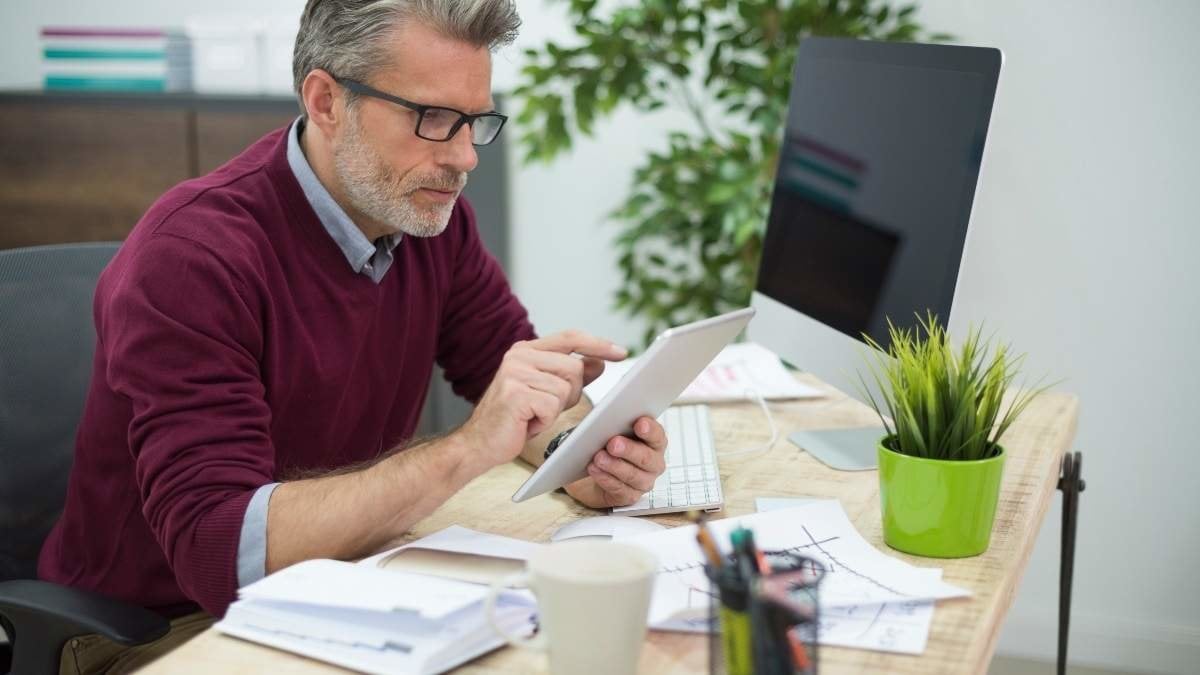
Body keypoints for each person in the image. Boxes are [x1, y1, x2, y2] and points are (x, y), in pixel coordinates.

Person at [39, 2, 667, 672]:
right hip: (158, 631)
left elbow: (512, 381)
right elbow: (222, 554)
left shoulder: (431, 220)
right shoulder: (194, 257)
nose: (462, 157)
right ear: (326, 101)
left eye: (474, 122)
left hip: (346, 582)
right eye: (432, 120)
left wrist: (583, 458)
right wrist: (467, 448)